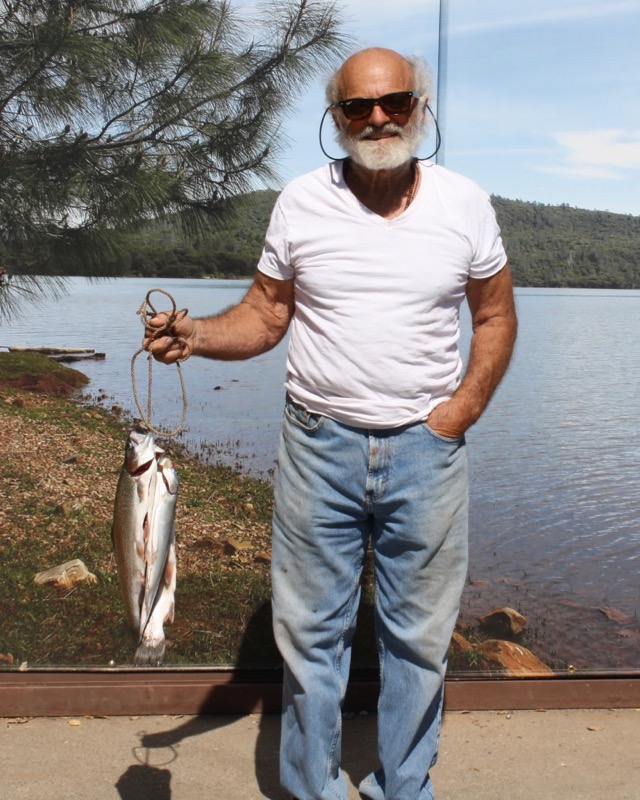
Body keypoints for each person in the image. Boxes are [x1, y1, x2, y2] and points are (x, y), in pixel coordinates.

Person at [145, 46, 517, 800]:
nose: (377, 118)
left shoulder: (466, 204)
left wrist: (461, 411)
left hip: (428, 449)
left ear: (420, 107)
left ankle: (402, 788)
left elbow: (496, 314)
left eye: (395, 102)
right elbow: (266, 313)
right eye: (357, 107)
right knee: (312, 641)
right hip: (320, 447)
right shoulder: (301, 202)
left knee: (417, 641)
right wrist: (199, 336)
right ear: (335, 117)